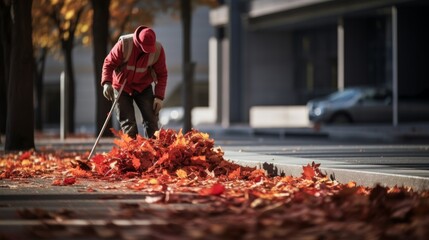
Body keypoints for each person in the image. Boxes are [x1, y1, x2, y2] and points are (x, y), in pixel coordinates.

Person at [101, 26, 168, 138]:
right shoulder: (124, 45)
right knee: (128, 124)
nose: (146, 51)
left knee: (151, 121)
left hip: (144, 86)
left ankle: (153, 151)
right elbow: (108, 63)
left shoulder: (157, 50)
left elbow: (162, 74)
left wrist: (159, 97)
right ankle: (132, 152)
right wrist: (106, 83)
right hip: (121, 86)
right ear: (138, 42)